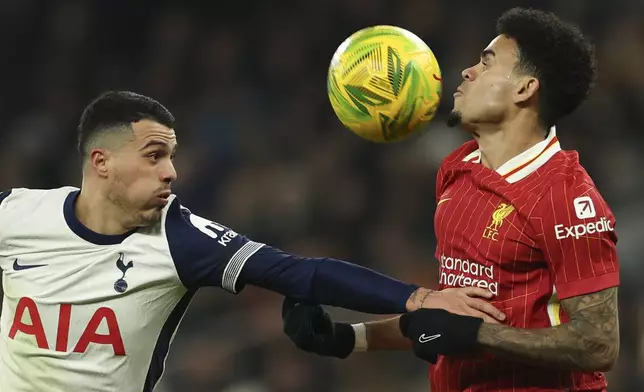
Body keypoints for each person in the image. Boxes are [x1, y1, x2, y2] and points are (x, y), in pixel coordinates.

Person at [0, 91, 505, 391]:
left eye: (172, 156)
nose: (171, 172)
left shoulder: (179, 238)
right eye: (154, 156)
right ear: (102, 163)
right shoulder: (16, 214)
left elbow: (298, 273)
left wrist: (419, 297)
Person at [282, 7, 620, 392]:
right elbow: (444, 322)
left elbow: (598, 344)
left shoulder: (568, 197)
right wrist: (346, 337)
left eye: (486, 62)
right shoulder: (457, 168)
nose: (467, 71)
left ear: (525, 88)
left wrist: (476, 335)